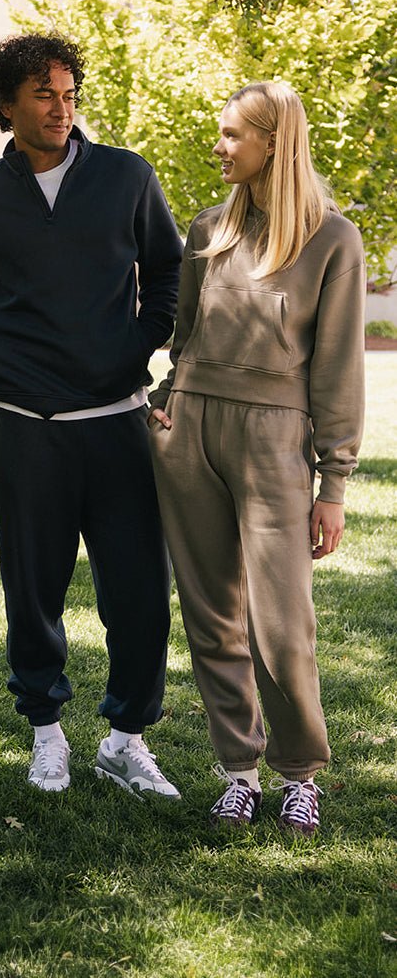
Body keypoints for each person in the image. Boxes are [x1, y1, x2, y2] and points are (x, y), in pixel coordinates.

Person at [0, 34, 183, 797]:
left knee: (139, 592)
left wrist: (140, 339)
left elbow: (167, 266)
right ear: (5, 104)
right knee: (32, 590)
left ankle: (125, 738)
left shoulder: (124, 176)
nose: (60, 107)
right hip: (24, 426)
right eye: (43, 94)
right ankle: (45, 734)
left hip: (116, 420)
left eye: (69, 92)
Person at [148, 81, 365, 835]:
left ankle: (297, 771)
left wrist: (331, 480)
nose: (219, 147)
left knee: (281, 620)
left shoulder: (333, 240)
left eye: (233, 134)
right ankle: (236, 770)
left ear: (275, 141)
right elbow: (184, 336)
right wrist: (167, 395)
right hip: (189, 432)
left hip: (275, 438)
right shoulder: (207, 229)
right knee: (210, 615)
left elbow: (337, 367)